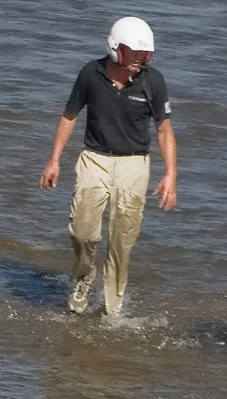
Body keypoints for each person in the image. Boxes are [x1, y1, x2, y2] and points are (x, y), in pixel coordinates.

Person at [40, 16, 177, 317]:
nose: (141, 59)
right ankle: (84, 277)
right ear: (117, 49)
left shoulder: (153, 81)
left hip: (134, 164)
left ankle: (112, 306)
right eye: (135, 53)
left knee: (122, 239)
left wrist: (170, 174)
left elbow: (164, 129)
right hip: (95, 158)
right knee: (82, 232)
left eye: (146, 54)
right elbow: (69, 117)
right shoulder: (91, 74)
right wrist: (53, 160)